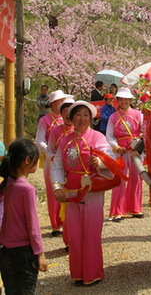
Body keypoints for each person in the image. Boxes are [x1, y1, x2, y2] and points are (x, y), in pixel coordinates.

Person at [51, 101, 115, 286]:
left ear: (91, 118)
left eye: (86, 115)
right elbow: (57, 165)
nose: (82, 118)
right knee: (75, 234)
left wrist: (100, 162)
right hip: (71, 192)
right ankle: (78, 273)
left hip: (92, 191)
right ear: (71, 118)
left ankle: (93, 272)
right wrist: (57, 186)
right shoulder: (64, 140)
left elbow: (109, 158)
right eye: (78, 114)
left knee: (92, 232)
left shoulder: (97, 137)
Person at [0, 138, 48, 294]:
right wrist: (40, 254)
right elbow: (33, 226)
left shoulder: (7, 184)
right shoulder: (27, 189)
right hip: (23, 253)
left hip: (6, 252)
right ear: (28, 161)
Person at [35, 89, 73, 236]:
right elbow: (39, 140)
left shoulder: (70, 119)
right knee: (53, 192)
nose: (62, 103)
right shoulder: (45, 120)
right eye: (59, 101)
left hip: (69, 160)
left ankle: (67, 222)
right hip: (51, 160)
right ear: (52, 104)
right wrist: (50, 154)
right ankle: (55, 225)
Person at [106, 87, 143, 222]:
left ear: (130, 100)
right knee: (119, 179)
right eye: (121, 99)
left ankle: (135, 208)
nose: (124, 102)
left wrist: (138, 145)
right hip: (120, 152)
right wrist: (115, 146)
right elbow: (109, 135)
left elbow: (143, 131)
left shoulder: (139, 114)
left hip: (134, 151)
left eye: (126, 99)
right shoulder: (113, 117)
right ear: (118, 101)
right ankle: (118, 210)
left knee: (136, 178)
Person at [46, 97, 75, 249]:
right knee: (64, 207)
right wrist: (53, 158)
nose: (68, 115)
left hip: (75, 173)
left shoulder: (80, 130)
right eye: (65, 112)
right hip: (60, 172)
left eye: (71, 112)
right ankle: (68, 240)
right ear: (61, 114)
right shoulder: (56, 131)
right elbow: (50, 148)